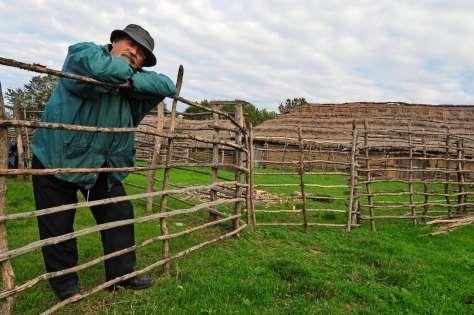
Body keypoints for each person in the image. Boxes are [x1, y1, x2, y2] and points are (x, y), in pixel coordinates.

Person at [31, 24, 177, 300]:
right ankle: (65, 286)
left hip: (100, 162)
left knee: (119, 214)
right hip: (57, 155)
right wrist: (123, 75)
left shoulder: (133, 83)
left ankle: (121, 276)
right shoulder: (83, 54)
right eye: (130, 45)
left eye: (141, 54)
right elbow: (100, 69)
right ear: (114, 42)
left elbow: (166, 85)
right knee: (57, 224)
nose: (134, 53)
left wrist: (130, 82)